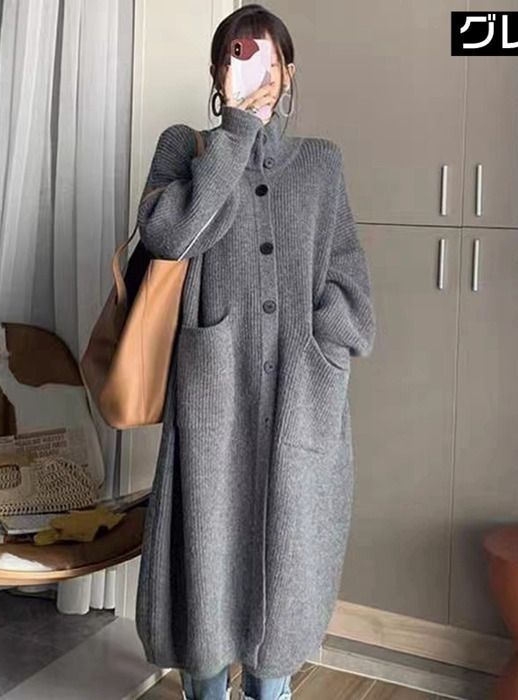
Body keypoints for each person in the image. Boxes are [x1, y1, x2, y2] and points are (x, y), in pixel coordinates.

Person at [134, 5, 376, 700]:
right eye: (237, 55)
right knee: (206, 560)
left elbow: (349, 278)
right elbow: (169, 237)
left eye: (267, 58)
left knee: (288, 559)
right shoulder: (184, 149)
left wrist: (323, 344)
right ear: (217, 71)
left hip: (302, 392)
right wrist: (237, 132)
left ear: (288, 72)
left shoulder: (320, 164)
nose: (253, 70)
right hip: (213, 389)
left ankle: (272, 691)